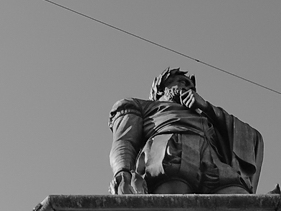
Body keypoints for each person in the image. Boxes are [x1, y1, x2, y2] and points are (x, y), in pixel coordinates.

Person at [108, 68, 264, 196]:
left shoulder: (207, 115)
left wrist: (206, 107)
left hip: (213, 160)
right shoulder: (139, 105)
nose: (188, 87)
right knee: (173, 206)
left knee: (238, 202)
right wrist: (122, 172)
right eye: (182, 82)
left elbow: (252, 137)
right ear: (161, 88)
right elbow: (124, 141)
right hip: (168, 152)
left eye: (191, 86)